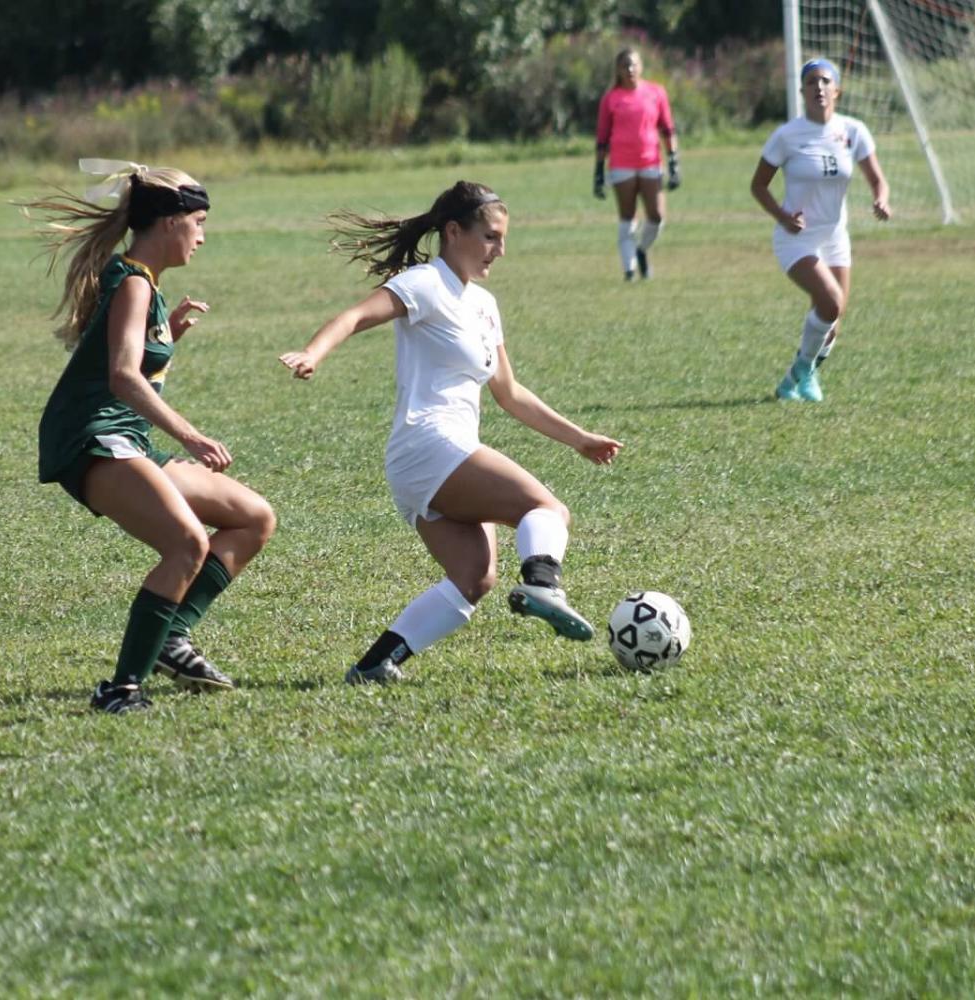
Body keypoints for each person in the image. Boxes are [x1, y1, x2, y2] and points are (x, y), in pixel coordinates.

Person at [278, 180, 622, 685]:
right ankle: (543, 584)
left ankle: (376, 664)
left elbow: (510, 393)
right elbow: (353, 317)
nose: (499, 250)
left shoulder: (484, 305)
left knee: (474, 579)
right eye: (489, 237)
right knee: (546, 510)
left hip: (434, 457)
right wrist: (313, 353)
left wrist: (579, 438)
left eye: (502, 239)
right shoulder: (424, 284)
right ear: (453, 231)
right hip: (429, 444)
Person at [28, 159, 276, 713]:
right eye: (201, 222)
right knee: (187, 544)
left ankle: (171, 637)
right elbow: (120, 376)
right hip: (93, 438)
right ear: (170, 221)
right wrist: (190, 436)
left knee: (254, 518)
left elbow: (126, 363)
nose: (203, 236)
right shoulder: (134, 282)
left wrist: (173, 332)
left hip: (126, 437)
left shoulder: (146, 286)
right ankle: (121, 690)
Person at [750, 58, 891, 403]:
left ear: (837, 90)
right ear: (802, 91)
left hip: (835, 236)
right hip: (795, 238)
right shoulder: (787, 136)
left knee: (835, 319)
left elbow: (878, 180)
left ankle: (792, 380)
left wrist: (881, 200)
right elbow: (758, 186)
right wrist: (783, 216)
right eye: (811, 82)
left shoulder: (854, 131)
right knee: (830, 303)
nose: (819, 87)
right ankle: (804, 371)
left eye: (825, 81)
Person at [593, 47, 680, 282]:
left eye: (633, 64)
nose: (630, 70)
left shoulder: (655, 92)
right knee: (627, 216)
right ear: (618, 71)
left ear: (641, 66)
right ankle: (629, 269)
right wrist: (598, 173)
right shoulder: (611, 99)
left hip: (650, 160)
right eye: (624, 66)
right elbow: (602, 137)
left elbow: (667, 128)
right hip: (622, 164)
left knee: (656, 215)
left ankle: (641, 249)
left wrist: (673, 162)